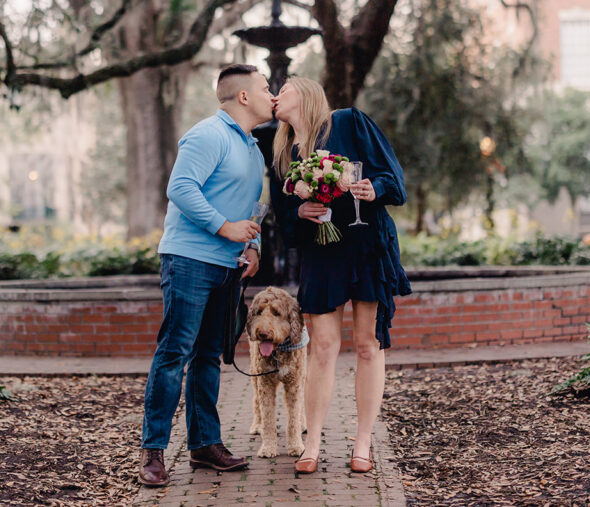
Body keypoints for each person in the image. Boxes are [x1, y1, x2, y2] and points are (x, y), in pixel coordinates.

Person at [138, 64, 276, 487]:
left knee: (208, 356)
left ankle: (204, 445)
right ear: (244, 97)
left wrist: (251, 246)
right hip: (190, 259)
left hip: (228, 266)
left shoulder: (252, 148)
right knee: (175, 352)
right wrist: (223, 227)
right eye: (267, 87)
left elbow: (253, 208)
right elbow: (180, 188)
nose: (274, 94)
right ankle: (153, 452)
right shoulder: (208, 134)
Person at [270, 76, 411, 475]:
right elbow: (284, 220)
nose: (276, 96)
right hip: (322, 253)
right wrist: (299, 211)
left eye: (285, 89)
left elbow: (392, 177)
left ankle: (363, 443)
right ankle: (311, 441)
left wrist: (373, 188)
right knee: (323, 348)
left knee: (368, 345)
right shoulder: (283, 154)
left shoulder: (349, 122)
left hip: (367, 245)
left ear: (307, 93)